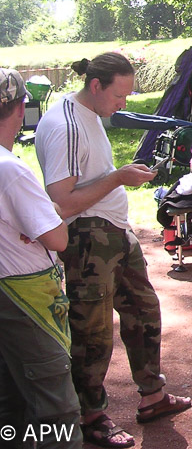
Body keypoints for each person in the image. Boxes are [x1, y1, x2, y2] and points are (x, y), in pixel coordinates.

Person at [35, 53, 191, 448]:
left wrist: (120, 175)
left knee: (143, 309)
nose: (124, 103)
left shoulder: (89, 115)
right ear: (96, 86)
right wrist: (120, 177)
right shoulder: (65, 126)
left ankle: (152, 396)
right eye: (120, 95)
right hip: (86, 239)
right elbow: (63, 204)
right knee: (93, 331)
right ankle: (91, 416)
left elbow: (89, 179)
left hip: (114, 232)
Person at [0, 68, 82, 449]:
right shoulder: (11, 169)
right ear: (20, 111)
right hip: (24, 301)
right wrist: (49, 210)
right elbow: (58, 238)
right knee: (56, 409)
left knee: (11, 399)